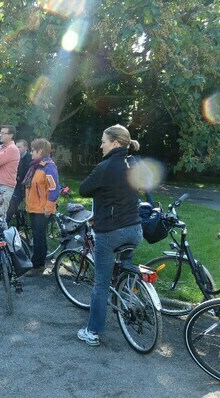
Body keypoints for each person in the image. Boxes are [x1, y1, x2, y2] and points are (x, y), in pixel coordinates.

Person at [76, 124, 143, 347]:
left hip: (110, 232)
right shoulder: (134, 162)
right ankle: (128, 302)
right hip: (135, 229)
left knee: (101, 284)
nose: (101, 145)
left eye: (103, 141)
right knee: (126, 269)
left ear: (115, 143)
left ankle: (92, 332)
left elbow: (84, 189)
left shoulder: (105, 167)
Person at [23, 138, 59, 276]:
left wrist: (49, 207)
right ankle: (39, 262)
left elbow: (54, 189)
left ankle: (37, 265)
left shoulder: (48, 166)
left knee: (38, 238)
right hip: (34, 208)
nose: (31, 152)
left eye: (33, 150)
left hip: (42, 210)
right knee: (39, 237)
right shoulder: (36, 166)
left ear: (40, 151)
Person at [6, 138, 32, 224]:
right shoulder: (15, 156)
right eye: (16, 147)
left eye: (19, 147)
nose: (17, 149)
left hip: (23, 187)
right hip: (14, 184)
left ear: (26, 148)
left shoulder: (29, 159)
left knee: (12, 204)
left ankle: (6, 222)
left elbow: (26, 175)